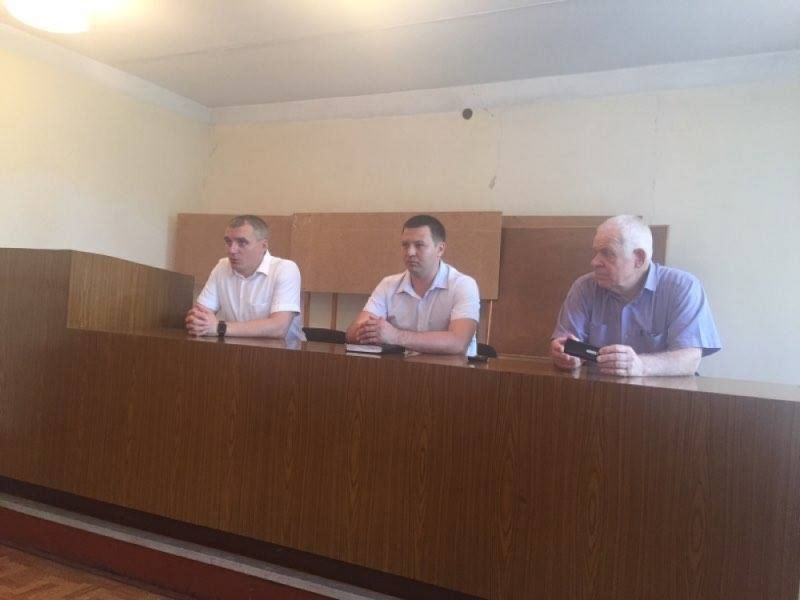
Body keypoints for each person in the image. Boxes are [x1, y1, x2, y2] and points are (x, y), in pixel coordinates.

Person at [551, 215, 720, 376]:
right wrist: (565, 355)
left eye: (607, 253)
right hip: (598, 391)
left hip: (660, 393)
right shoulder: (584, 287)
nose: (594, 262)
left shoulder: (683, 287)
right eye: (596, 252)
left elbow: (689, 360)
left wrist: (641, 365)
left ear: (639, 258)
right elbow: (566, 345)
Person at [346, 215, 480, 355]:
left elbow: (458, 343)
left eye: (419, 245)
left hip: (450, 369)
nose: (410, 252)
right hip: (401, 367)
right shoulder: (388, 285)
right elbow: (352, 333)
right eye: (405, 245)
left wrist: (396, 336)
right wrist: (373, 332)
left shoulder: (464, 285)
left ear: (440, 249)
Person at [185, 215, 304, 342]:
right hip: (235, 348)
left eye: (242, 243)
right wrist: (197, 322)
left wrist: (220, 327)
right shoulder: (222, 267)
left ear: (264, 245)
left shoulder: (285, 269)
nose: (232, 250)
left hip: (284, 351)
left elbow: (279, 328)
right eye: (228, 242)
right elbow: (199, 314)